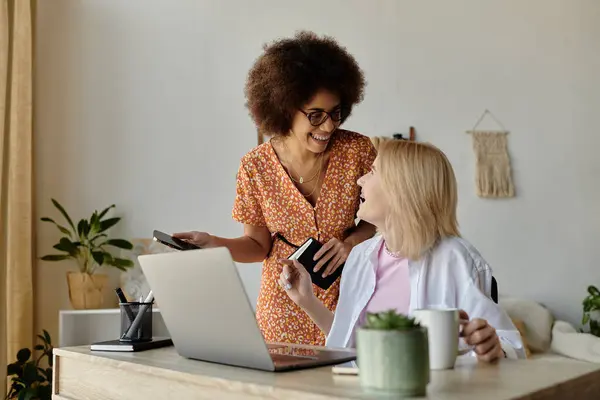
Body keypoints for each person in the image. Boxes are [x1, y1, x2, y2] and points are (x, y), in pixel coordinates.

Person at [174, 31, 377, 346]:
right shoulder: (254, 167)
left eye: (335, 113)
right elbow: (258, 246)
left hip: (347, 298)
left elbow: (380, 216)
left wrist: (351, 242)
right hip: (282, 308)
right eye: (315, 115)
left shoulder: (358, 151)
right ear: (284, 108)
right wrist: (213, 243)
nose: (328, 126)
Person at [278, 139, 526, 361]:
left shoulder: (456, 259)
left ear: (402, 189)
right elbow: (352, 346)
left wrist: (493, 348)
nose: (360, 180)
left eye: (373, 172)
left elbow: (511, 348)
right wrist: (307, 301)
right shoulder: (360, 257)